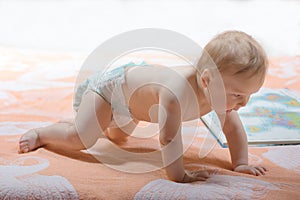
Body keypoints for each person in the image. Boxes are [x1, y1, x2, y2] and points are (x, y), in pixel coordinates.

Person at [19, 30, 268, 183]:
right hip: (111, 90)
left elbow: (233, 130)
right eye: (237, 94)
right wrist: (179, 175)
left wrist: (240, 163)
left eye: (249, 95)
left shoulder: (219, 96)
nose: (243, 103)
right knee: (81, 138)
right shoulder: (175, 93)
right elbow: (168, 138)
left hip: (133, 105)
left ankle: (87, 122)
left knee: (118, 138)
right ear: (206, 80)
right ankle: (42, 133)